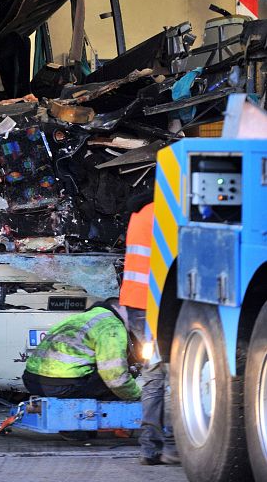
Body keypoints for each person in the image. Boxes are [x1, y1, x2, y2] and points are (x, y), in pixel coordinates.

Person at [119, 192, 180, 466]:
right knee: (168, 375)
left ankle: (150, 449)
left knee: (155, 375)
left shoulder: (139, 212)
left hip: (135, 302)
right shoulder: (165, 214)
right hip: (156, 304)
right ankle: (167, 446)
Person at [22, 298, 142, 401]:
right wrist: (138, 397)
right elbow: (115, 376)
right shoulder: (112, 325)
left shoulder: (84, 317)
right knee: (124, 375)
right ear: (125, 310)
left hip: (32, 382)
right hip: (61, 386)